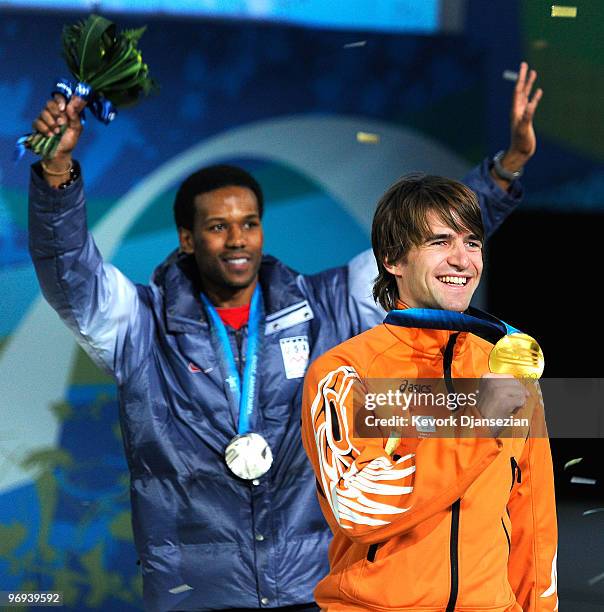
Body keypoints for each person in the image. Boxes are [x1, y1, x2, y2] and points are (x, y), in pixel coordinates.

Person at [28, 62, 541, 611]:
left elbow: (426, 247)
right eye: (217, 226)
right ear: (186, 239)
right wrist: (57, 176)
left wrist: (505, 169)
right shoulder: (139, 325)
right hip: (193, 593)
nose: (236, 239)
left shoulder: (324, 306)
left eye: (248, 223)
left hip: (306, 587)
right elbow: (69, 272)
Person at [300, 174, 557, 611]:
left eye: (472, 243)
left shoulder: (505, 369)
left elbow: (533, 515)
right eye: (440, 242)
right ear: (392, 259)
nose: (463, 259)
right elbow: (360, 507)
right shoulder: (346, 373)